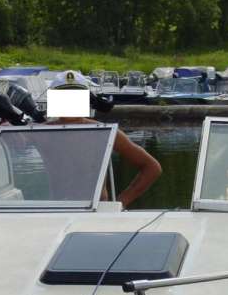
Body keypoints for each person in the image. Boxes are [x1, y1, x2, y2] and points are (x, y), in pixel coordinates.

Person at [49, 70, 161, 207]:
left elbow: (152, 167)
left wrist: (120, 203)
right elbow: (18, 142)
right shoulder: (40, 132)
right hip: (57, 210)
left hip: (97, 211)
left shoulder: (104, 131)